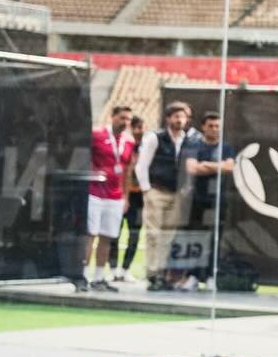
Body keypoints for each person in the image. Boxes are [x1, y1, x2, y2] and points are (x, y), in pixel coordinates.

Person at [136, 101, 198, 289]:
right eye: (176, 116)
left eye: (183, 117)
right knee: (153, 233)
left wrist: (186, 187)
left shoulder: (189, 139)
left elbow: (190, 166)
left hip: (176, 194)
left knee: (168, 236)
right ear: (168, 118)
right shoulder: (156, 138)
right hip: (157, 190)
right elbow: (142, 165)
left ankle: (162, 272)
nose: (180, 120)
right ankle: (153, 273)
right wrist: (146, 189)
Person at [84, 103, 134, 291]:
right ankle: (82, 275)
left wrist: (126, 196)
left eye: (128, 119)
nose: (125, 122)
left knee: (108, 236)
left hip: (115, 196)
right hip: (95, 192)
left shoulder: (128, 141)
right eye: (122, 118)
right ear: (112, 117)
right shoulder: (97, 135)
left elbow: (128, 170)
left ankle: (98, 277)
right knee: (91, 234)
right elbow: (85, 159)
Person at [184, 111, 236, 292]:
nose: (214, 129)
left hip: (218, 200)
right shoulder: (194, 145)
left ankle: (210, 276)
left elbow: (230, 167)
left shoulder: (226, 148)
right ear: (203, 127)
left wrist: (207, 165)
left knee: (215, 238)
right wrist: (218, 167)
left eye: (217, 126)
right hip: (198, 199)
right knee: (196, 237)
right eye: (211, 126)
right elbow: (192, 168)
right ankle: (193, 275)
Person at [115, 109, 148, 283]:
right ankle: (113, 268)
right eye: (135, 127)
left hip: (139, 196)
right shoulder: (122, 146)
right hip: (120, 194)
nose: (138, 131)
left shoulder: (148, 148)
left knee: (134, 234)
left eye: (141, 127)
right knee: (115, 233)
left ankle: (126, 268)